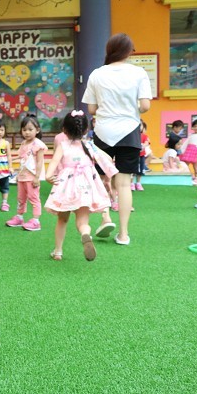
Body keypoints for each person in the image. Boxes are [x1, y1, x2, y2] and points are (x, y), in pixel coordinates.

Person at [82, 33, 151, 246]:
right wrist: (131, 109)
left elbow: (91, 109)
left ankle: (105, 218)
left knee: (101, 179)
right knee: (124, 184)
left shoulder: (97, 74)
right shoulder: (139, 73)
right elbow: (145, 106)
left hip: (103, 132)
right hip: (129, 131)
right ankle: (123, 234)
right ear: (129, 51)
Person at [45, 111, 117, 261]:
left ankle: (58, 251)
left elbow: (54, 162)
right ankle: (85, 234)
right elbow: (108, 159)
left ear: (64, 129)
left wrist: (48, 176)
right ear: (86, 130)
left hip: (66, 187)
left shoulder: (63, 145)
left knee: (62, 220)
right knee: (82, 222)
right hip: (85, 188)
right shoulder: (89, 146)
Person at [5, 115, 47, 231]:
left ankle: (36, 221)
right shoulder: (24, 143)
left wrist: (37, 177)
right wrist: (10, 160)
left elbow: (40, 162)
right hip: (22, 177)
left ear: (37, 130)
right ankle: (19, 217)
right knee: (21, 198)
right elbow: (21, 157)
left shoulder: (38, 145)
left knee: (34, 198)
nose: (27, 132)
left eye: (30, 129)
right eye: (24, 130)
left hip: (32, 177)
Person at [179, 119, 197, 185]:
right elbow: (185, 143)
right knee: (185, 165)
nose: (196, 128)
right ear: (193, 127)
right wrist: (181, 151)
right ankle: (190, 176)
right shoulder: (191, 135)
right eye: (195, 126)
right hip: (188, 152)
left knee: (196, 166)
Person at [132, 120, 149, 191]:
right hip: (133, 156)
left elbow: (147, 142)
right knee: (132, 170)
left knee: (140, 170)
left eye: (140, 125)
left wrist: (143, 145)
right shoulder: (132, 136)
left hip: (141, 156)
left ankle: (138, 183)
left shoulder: (144, 136)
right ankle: (131, 183)